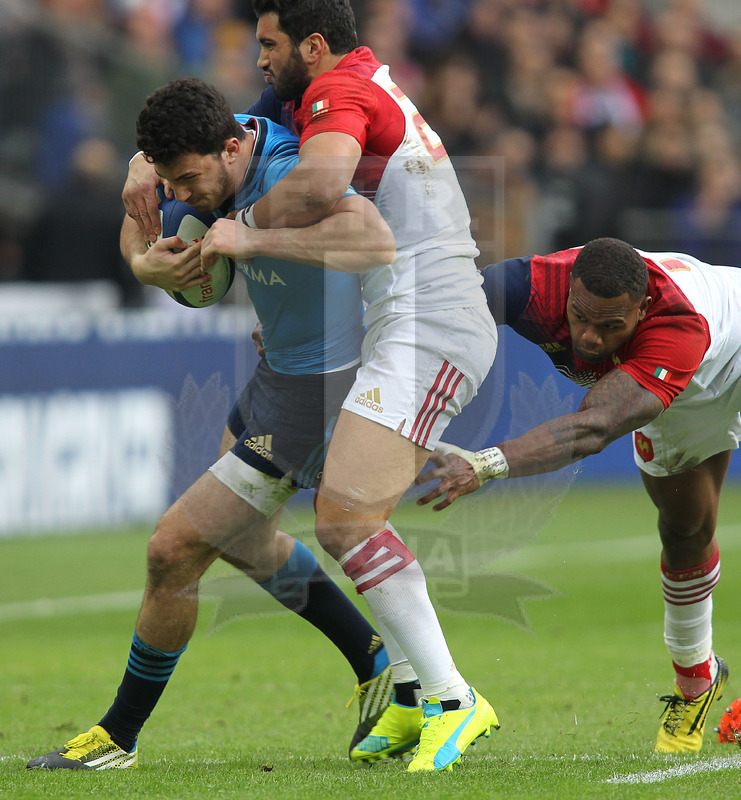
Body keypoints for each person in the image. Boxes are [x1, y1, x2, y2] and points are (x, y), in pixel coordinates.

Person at [124, 0, 500, 772]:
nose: (259, 60)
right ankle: (404, 691)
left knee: (346, 520)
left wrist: (242, 233)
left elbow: (324, 189)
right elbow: (233, 124)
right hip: (391, 324)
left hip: (429, 323)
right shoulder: (323, 91)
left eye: (268, 45)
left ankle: (452, 698)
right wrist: (147, 161)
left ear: (313, 45)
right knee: (320, 519)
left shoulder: (342, 96)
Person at [27, 77, 398, 770]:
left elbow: (372, 240)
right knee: (247, 541)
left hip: (322, 384)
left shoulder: (288, 173)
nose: (179, 195)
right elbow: (143, 231)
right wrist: (144, 258)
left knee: (173, 549)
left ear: (231, 150)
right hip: (280, 373)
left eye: (189, 179)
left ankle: (118, 737)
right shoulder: (204, 153)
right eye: (168, 179)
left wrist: (252, 237)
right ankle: (376, 662)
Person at [416, 236, 741, 754]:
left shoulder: (674, 327)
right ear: (569, 290)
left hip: (730, 345)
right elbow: (433, 304)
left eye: (610, 326)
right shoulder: (534, 284)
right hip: (683, 392)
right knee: (683, 530)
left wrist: (485, 465)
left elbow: (592, 429)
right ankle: (698, 683)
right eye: (580, 317)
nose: (588, 338)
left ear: (642, 308)